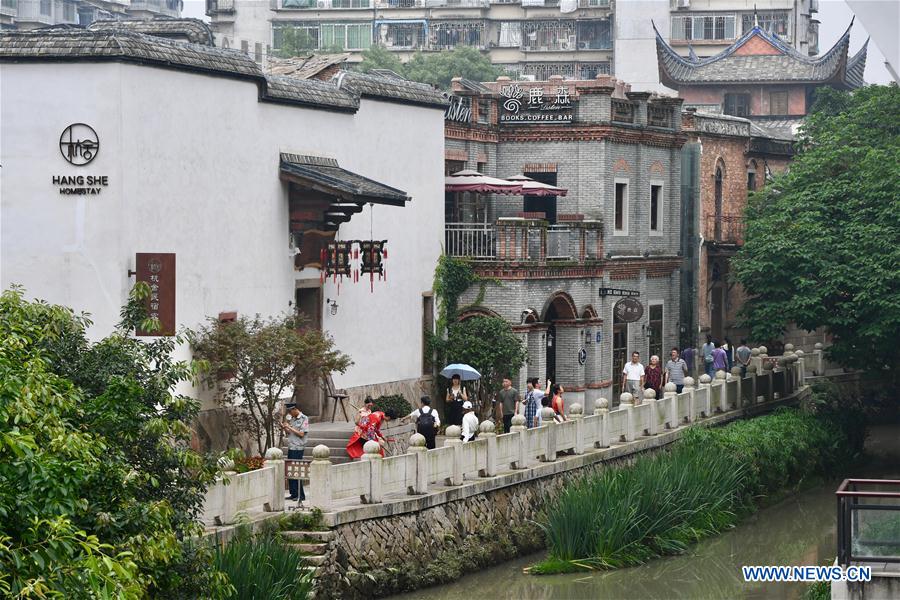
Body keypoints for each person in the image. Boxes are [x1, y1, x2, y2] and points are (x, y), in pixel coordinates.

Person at [282, 403, 309, 503]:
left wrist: (290, 427)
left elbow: (301, 434)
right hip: (291, 446)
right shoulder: (292, 419)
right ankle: (293, 493)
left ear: (294, 409)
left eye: (290, 412)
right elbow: (290, 433)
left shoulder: (304, 418)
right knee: (290, 471)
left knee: (296, 471)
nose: (290, 414)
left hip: (298, 448)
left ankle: (300, 495)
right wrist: (285, 428)